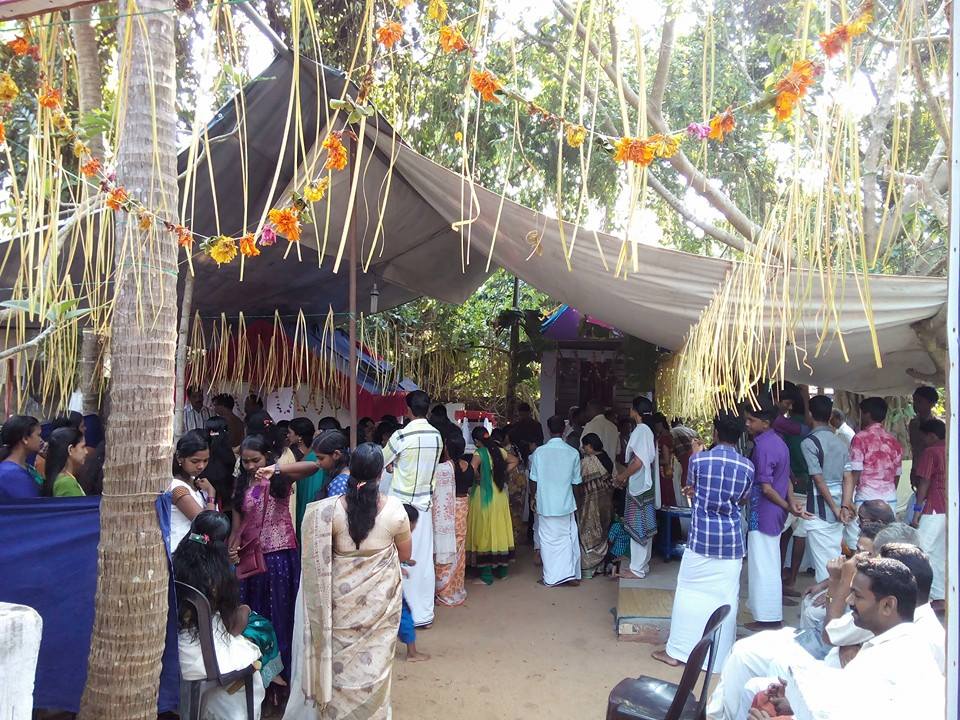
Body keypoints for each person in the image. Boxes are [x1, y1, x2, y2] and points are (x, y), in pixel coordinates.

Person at [283, 443, 410, 719]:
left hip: (338, 601)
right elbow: (406, 554)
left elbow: (318, 557)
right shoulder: (396, 511)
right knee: (375, 660)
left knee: (339, 659)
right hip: (380, 602)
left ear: (351, 469)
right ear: (380, 474)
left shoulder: (327, 512)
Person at [653, 412, 754, 670]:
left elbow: (692, 488)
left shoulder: (699, 460)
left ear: (715, 433)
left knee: (688, 594)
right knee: (726, 599)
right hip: (730, 543)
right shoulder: (747, 467)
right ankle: (717, 659)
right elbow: (742, 500)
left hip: (701, 540)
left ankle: (677, 652)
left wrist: (698, 493)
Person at [173, 511, 268, 719]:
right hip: (204, 657)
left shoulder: (174, 563)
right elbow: (231, 627)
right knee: (256, 643)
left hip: (175, 650)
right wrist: (245, 610)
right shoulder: (218, 577)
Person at [228, 435, 300, 687]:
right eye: (245, 461)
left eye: (255, 460)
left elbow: (312, 467)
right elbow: (237, 529)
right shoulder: (240, 485)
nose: (250, 466)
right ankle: (260, 681)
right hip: (250, 562)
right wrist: (232, 552)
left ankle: (283, 681)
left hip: (279, 559)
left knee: (280, 618)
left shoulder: (278, 480)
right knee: (255, 620)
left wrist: (274, 469)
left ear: (267, 457)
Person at [383, 390, 443, 627]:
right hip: (425, 505)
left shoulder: (401, 436)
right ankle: (423, 614)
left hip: (401, 506)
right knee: (423, 558)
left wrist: (394, 467)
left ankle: (401, 614)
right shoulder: (437, 436)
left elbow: (381, 460)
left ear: (407, 410)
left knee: (399, 558)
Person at [744, 403, 806, 630]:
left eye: (751, 420)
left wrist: (789, 506)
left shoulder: (763, 447)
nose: (748, 424)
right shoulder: (779, 442)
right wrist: (789, 504)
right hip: (773, 512)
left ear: (766, 423)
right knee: (768, 563)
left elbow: (767, 488)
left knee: (763, 566)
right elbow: (787, 480)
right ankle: (767, 615)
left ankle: (768, 618)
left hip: (764, 512)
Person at [800, 395, 852, 582]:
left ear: (810, 414)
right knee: (835, 560)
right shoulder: (841, 442)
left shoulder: (809, 443)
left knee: (825, 567)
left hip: (820, 511)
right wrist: (844, 507)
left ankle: (830, 606)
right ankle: (837, 603)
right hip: (839, 512)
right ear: (830, 415)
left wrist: (834, 507)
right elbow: (848, 477)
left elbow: (818, 479)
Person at [844, 396, 904, 550]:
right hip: (889, 499)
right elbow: (897, 475)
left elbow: (855, 473)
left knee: (860, 543)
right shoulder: (894, 441)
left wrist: (848, 499)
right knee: (886, 543)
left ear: (867, 414)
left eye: (862, 413)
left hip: (866, 499)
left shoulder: (860, 438)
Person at [529, 415, 582, 587]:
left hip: (546, 504)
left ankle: (550, 577)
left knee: (547, 540)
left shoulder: (539, 452)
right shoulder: (573, 453)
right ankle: (568, 575)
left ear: (548, 429)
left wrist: (533, 497)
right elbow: (576, 484)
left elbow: (533, 480)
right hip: (566, 504)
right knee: (567, 539)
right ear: (565, 430)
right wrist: (577, 504)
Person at [615, 396, 658, 579]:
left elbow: (638, 461)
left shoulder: (641, 430)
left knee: (637, 525)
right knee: (644, 525)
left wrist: (623, 476)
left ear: (634, 411)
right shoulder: (648, 430)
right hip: (645, 485)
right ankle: (642, 565)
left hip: (639, 485)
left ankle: (636, 569)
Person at [466, 426, 516, 584]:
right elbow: (515, 460)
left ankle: (486, 575)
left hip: (484, 496)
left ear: (476, 441)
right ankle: (502, 571)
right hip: (499, 494)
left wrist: (479, 477)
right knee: (499, 529)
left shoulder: (479, 453)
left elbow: (471, 469)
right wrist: (501, 473)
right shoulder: (499, 450)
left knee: (484, 531)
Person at [911, 418, 946, 605]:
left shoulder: (931, 452)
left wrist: (917, 510)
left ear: (931, 436)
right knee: (941, 551)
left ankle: (925, 596)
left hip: (934, 507)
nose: (922, 441)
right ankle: (939, 595)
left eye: (923, 437)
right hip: (950, 508)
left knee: (922, 550)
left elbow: (924, 483)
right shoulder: (952, 448)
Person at [436, 433, 471, 606]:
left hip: (449, 510)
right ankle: (456, 588)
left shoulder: (443, 468)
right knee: (459, 547)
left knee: (445, 547)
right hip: (463, 506)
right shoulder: (468, 466)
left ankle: (444, 589)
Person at [169, 432, 217, 550]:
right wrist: (211, 493)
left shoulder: (195, 482)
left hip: (193, 547)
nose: (201, 466)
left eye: (205, 461)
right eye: (195, 461)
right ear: (180, 458)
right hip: (182, 552)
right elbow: (206, 525)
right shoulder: (177, 488)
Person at [576, 433, 614, 579]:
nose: (583, 448)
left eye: (584, 445)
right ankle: (600, 566)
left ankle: (588, 568)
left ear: (590, 447)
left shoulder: (587, 462)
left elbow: (579, 484)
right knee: (602, 532)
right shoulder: (607, 459)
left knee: (589, 531)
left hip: (589, 504)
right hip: (606, 503)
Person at [399, 503, 430, 662]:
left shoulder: (387, 532)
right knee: (404, 614)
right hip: (391, 584)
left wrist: (403, 564)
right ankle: (412, 653)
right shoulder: (400, 536)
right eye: (414, 523)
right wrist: (401, 565)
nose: (415, 527)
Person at [431, 440, 458, 605]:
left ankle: (435, 592)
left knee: (433, 555)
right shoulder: (450, 466)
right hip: (447, 518)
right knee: (445, 556)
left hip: (434, 517)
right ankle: (445, 591)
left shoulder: (431, 469)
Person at [0, 415, 43, 499]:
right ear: (25, 439)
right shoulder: (11, 474)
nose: (41, 439)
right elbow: (31, 507)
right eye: (38, 435)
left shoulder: (26, 467)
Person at [41, 426, 87, 497]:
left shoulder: (64, 479)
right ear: (70, 449)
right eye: (82, 447)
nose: (86, 452)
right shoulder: (66, 483)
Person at [908, 385, 938, 487]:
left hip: (933, 472)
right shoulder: (913, 424)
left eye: (919, 401)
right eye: (914, 400)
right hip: (917, 470)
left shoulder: (938, 426)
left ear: (931, 404)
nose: (915, 405)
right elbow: (915, 449)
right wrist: (914, 469)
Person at [581, 401, 620, 471]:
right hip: (610, 470)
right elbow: (618, 451)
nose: (586, 413)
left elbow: (582, 448)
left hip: (594, 471)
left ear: (592, 410)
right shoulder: (613, 427)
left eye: (587, 410)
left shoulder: (590, 425)